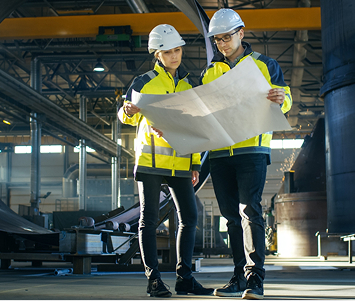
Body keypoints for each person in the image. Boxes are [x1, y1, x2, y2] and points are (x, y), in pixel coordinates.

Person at [200, 8, 292, 300]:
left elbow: (284, 98)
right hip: (219, 153)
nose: (222, 44)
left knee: (249, 211)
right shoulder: (209, 72)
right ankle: (239, 277)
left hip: (251, 149)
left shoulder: (265, 65)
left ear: (241, 33)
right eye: (217, 40)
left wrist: (282, 98)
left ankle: (255, 280)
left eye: (227, 37)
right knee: (230, 218)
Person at [118, 24, 213, 298]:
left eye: (178, 50)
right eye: (168, 51)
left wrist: (195, 163)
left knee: (189, 217)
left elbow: (196, 127)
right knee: (148, 220)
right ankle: (154, 280)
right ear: (157, 54)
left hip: (182, 162)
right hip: (151, 161)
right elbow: (126, 116)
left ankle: (185, 278)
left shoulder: (189, 85)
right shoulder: (144, 81)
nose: (175, 56)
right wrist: (127, 110)